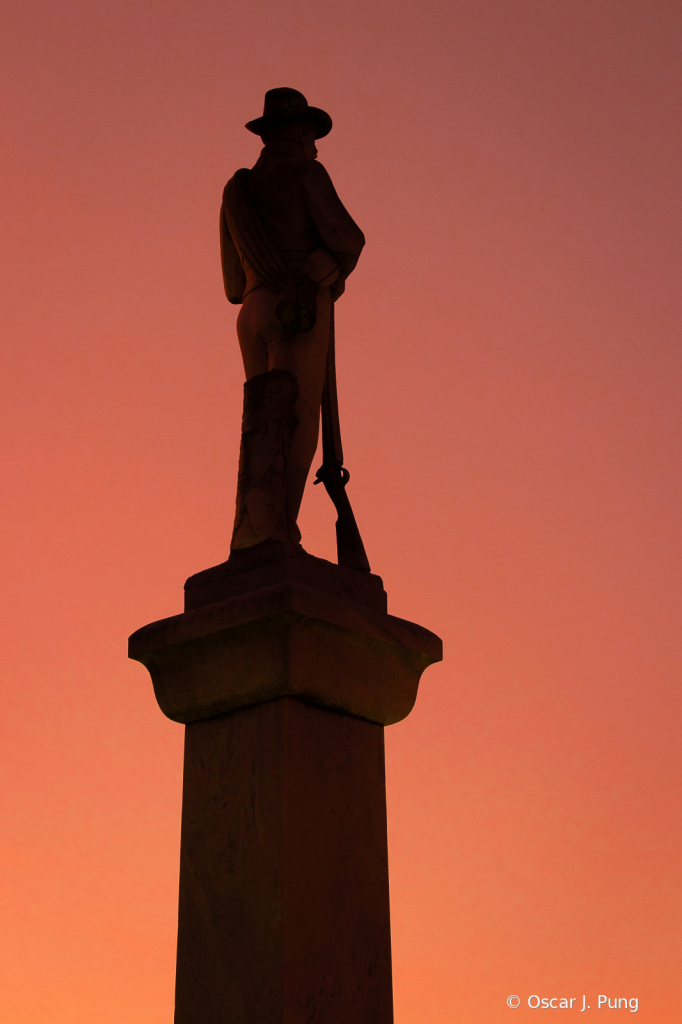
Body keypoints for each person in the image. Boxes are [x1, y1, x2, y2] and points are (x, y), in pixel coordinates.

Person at [220, 88, 365, 553]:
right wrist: (321, 269)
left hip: (253, 313)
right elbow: (350, 239)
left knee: (263, 419)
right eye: (312, 136)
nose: (317, 147)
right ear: (300, 133)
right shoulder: (306, 173)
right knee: (297, 419)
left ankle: (255, 529)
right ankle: (278, 532)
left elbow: (231, 286)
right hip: (297, 310)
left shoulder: (235, 190)